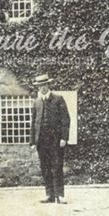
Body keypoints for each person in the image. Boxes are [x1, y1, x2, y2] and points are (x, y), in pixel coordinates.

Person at [30, 73, 71, 204]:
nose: (42, 87)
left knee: (57, 166)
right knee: (45, 167)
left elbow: (66, 120)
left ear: (48, 85)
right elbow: (33, 123)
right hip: (41, 141)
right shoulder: (36, 103)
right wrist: (32, 141)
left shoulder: (58, 99)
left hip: (56, 140)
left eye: (44, 85)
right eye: (40, 86)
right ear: (38, 87)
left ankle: (60, 195)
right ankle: (49, 194)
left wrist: (64, 137)